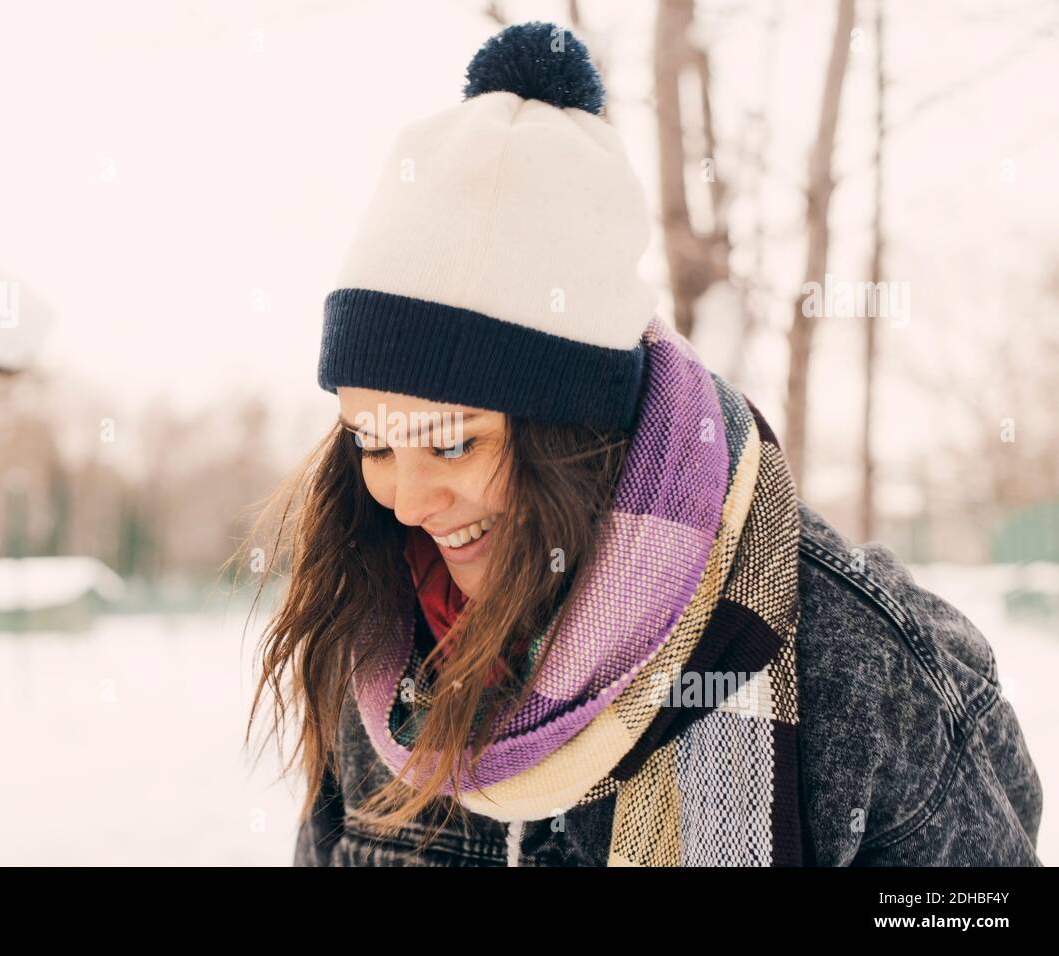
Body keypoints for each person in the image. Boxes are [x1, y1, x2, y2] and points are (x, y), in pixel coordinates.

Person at [241, 21, 1043, 866]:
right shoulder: (379, 646)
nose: (405, 499)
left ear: (576, 431)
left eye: (449, 445)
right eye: (373, 445)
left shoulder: (859, 667)